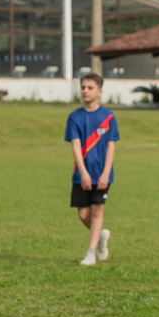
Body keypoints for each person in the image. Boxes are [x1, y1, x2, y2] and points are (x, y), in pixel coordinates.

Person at [65, 72, 118, 266]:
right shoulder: (74, 117)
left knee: (97, 212)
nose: (85, 91)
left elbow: (111, 146)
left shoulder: (108, 117)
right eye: (83, 87)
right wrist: (83, 172)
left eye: (90, 88)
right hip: (81, 174)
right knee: (83, 214)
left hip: (102, 174)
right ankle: (102, 235)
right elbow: (76, 146)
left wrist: (105, 173)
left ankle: (90, 253)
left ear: (99, 91)